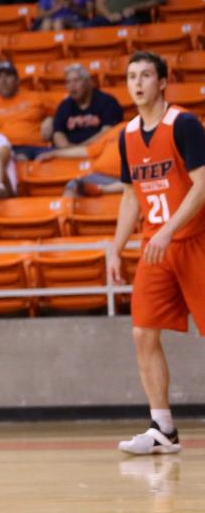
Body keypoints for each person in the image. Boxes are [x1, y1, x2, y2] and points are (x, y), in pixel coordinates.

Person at [108, 51, 205, 456]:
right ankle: (162, 427)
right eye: (132, 76)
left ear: (163, 82)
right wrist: (116, 248)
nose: (138, 82)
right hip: (155, 247)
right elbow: (132, 196)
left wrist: (168, 229)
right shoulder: (126, 133)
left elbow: (202, 185)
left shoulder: (183, 123)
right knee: (143, 332)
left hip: (195, 241)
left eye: (146, 75)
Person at [48, 65, 124, 149]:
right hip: (68, 152)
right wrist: (69, 150)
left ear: (89, 82)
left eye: (76, 80)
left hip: (98, 150)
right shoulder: (65, 105)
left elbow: (107, 132)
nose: (72, 86)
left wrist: (80, 149)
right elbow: (58, 133)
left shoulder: (107, 102)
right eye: (68, 82)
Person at [0, 61, 52, 156]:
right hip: (5, 150)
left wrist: (51, 119)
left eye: (8, 76)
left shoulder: (36, 97)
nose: (3, 80)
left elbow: (61, 113)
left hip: (37, 147)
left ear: (17, 81)